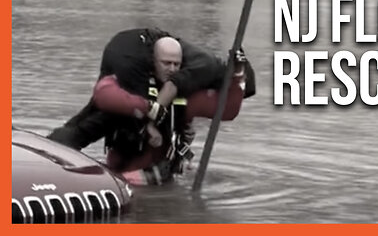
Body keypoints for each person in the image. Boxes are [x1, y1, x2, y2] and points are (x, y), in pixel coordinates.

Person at [48, 28, 255, 182]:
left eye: (176, 64)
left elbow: (226, 111)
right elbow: (103, 93)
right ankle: (45, 154)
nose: (172, 69)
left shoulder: (185, 96)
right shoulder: (127, 86)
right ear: (152, 62)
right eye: (166, 63)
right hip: (119, 165)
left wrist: (238, 77)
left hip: (153, 173)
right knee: (82, 129)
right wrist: (150, 111)